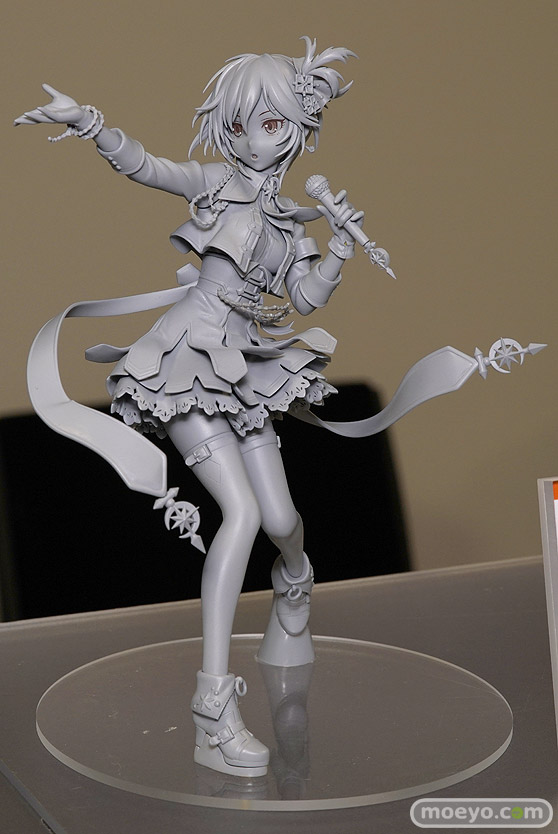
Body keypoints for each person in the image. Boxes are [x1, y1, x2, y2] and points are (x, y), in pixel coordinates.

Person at [16, 37, 363, 778]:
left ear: (297, 128)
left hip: (246, 371)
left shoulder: (292, 223)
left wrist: (338, 249)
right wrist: (87, 121)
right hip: (183, 362)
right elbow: (146, 165)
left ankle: (294, 583)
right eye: (238, 124)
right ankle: (213, 709)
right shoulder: (211, 182)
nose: (251, 139)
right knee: (240, 515)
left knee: (282, 522)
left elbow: (305, 299)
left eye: (270, 124)